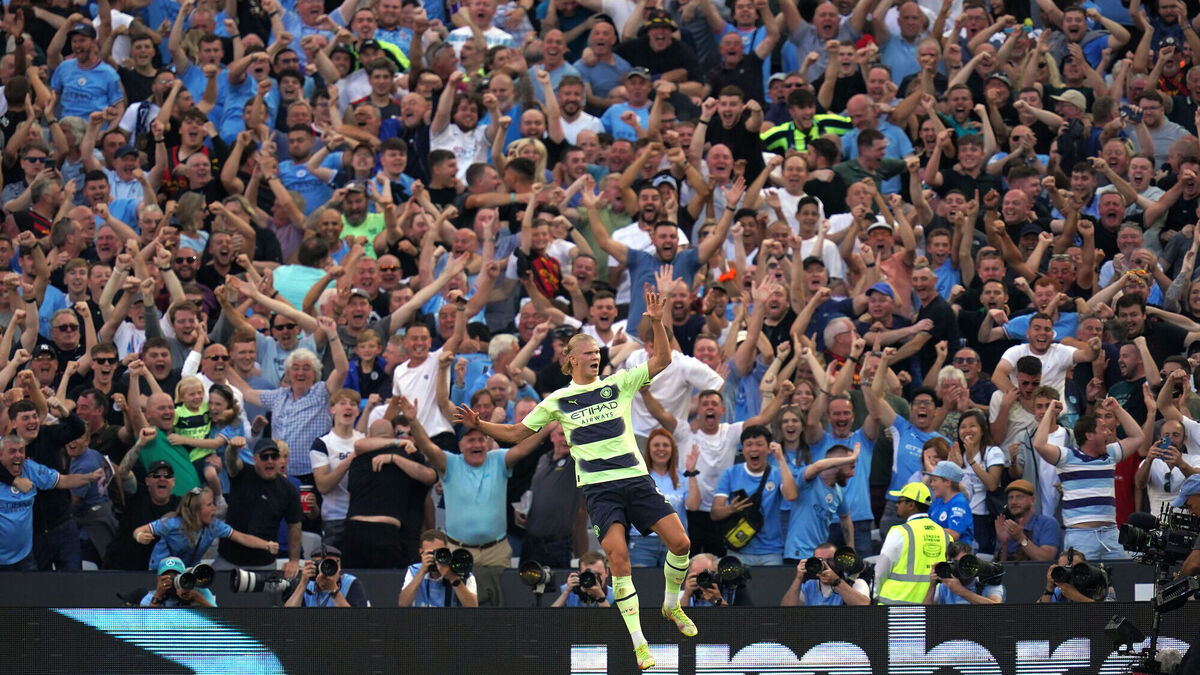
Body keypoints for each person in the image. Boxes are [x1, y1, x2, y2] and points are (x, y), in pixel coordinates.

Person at [454, 289, 690, 670]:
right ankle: (639, 642)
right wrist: (480, 425)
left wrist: (658, 322)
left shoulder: (618, 383)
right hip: (600, 490)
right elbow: (515, 433)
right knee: (619, 560)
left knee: (681, 543)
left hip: (636, 480)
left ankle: (671, 604)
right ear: (571, 359)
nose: (596, 357)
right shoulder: (558, 401)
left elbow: (662, 359)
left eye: (598, 352)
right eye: (588, 353)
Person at [1033, 398, 1144, 560]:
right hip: (1080, 536)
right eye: (1103, 429)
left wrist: (1117, 409)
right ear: (1090, 435)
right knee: (1080, 576)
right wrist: (1050, 412)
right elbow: (1039, 445)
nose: (1109, 433)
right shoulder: (1067, 457)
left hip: (1111, 534)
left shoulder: (1110, 455)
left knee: (1121, 575)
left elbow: (1138, 437)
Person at [0, 432, 104, 571]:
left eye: (21, 451)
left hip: (24, 557)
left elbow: (63, 481)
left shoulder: (30, 469)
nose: (18, 455)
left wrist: (90, 477)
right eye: (12, 451)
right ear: (1, 455)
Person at [134, 481, 277, 570]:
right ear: (196, 509)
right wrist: (140, 536)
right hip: (162, 571)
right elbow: (139, 530)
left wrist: (267, 545)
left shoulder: (214, 526)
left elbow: (242, 537)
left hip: (189, 572)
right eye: (209, 505)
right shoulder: (172, 523)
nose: (214, 509)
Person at [875, 482, 949, 605]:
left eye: (900, 501)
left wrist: (874, 594)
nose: (897, 504)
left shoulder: (899, 532)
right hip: (931, 607)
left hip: (895, 607)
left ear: (911, 505)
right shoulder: (944, 535)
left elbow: (881, 570)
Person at [398, 529, 479, 607]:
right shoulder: (414, 571)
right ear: (421, 552)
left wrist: (453, 578)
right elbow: (403, 604)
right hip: (422, 616)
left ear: (448, 550)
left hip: (452, 617)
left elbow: (473, 608)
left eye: (439, 552)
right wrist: (422, 572)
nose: (435, 557)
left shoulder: (462, 571)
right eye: (431, 553)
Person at [780, 541, 871, 606]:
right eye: (820, 560)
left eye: (830, 560)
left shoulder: (854, 582)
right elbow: (786, 610)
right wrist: (798, 578)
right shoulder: (808, 586)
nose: (825, 564)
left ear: (838, 560)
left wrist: (836, 581)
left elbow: (864, 605)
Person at [994, 479, 1059, 562]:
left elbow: (1046, 559)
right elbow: (1000, 567)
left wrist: (1020, 538)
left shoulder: (1047, 523)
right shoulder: (1007, 527)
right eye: (1010, 498)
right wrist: (1004, 544)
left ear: (1032, 500)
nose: (1013, 502)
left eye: (1019, 497)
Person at [284, 545, 369, 607]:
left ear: (339, 566)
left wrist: (333, 590)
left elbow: (356, 619)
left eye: (330, 564)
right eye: (319, 564)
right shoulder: (308, 587)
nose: (325, 569)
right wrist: (302, 584)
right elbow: (288, 616)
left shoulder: (350, 583)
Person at [925, 541, 1004, 605]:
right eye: (955, 564)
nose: (960, 568)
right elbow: (924, 614)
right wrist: (932, 585)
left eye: (964, 563)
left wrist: (961, 591)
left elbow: (997, 609)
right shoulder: (945, 586)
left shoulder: (987, 581)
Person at [139, 556, 216, 607]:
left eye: (176, 576)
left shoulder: (198, 592)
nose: (172, 581)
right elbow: (146, 624)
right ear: (158, 579)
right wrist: (158, 597)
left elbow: (218, 618)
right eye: (166, 577)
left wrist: (196, 598)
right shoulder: (150, 598)